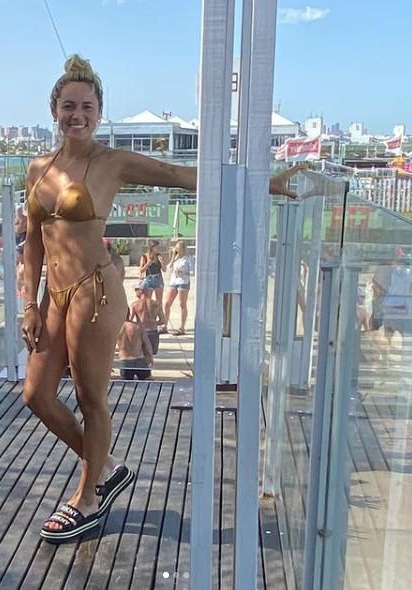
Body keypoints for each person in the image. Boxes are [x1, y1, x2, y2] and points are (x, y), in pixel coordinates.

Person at [21, 54, 306, 544]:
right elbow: (32, 243)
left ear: (99, 112)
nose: (77, 115)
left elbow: (182, 175)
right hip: (54, 296)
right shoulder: (36, 168)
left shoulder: (112, 162)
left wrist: (265, 183)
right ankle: (105, 467)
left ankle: (87, 497)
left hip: (95, 290)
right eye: (69, 106)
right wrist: (30, 303)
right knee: (37, 395)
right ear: (54, 110)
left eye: (87, 107)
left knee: (90, 398)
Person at [162, 240, 194, 335]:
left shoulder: (188, 258)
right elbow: (169, 268)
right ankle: (165, 325)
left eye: (178, 248)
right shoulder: (176, 258)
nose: (177, 250)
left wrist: (183, 272)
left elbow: (192, 271)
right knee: (167, 303)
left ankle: (182, 327)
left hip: (183, 281)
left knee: (182, 304)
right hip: (174, 281)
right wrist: (173, 257)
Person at [116, 309, 154, 380]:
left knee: (126, 384)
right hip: (139, 360)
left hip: (125, 361)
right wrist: (150, 358)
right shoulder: (138, 326)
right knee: (147, 382)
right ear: (129, 314)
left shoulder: (116, 328)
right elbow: (147, 345)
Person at [130, 285, 165, 354]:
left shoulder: (134, 304)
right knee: (151, 355)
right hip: (153, 332)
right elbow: (163, 321)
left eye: (136, 290)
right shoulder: (156, 304)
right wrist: (153, 322)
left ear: (141, 291)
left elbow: (130, 320)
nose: (135, 292)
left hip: (141, 332)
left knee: (139, 355)